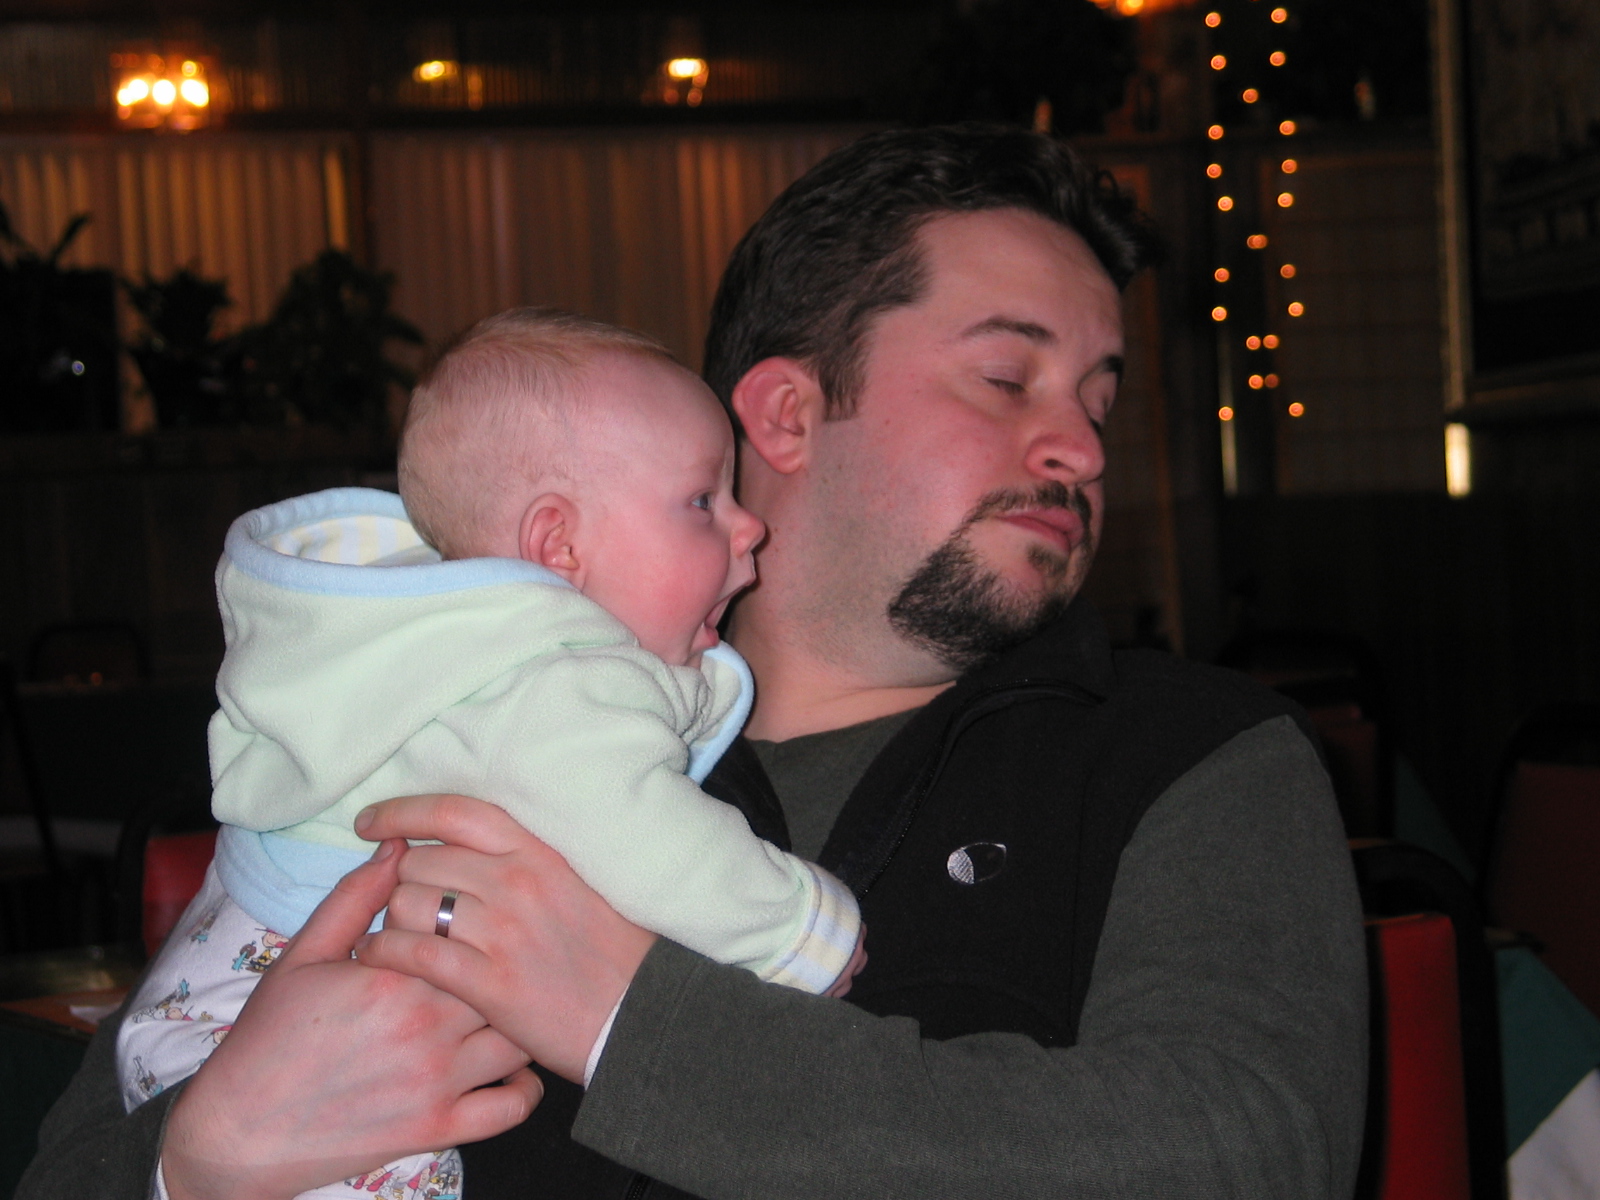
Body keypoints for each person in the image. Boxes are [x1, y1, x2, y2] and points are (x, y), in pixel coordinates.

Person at [20, 124, 1366, 1200]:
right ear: (786, 413)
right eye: (1009, 379)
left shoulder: (1186, 754)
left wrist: (626, 1017)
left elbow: (1241, 1153)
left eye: (1097, 403)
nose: (1079, 446)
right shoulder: (458, 695)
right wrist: (199, 1159)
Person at [113, 310, 861, 1198]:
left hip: (212, 994)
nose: (749, 528)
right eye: (704, 501)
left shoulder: (436, 639)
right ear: (559, 545)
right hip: (294, 1034)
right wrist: (800, 931)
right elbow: (651, 842)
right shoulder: (555, 680)